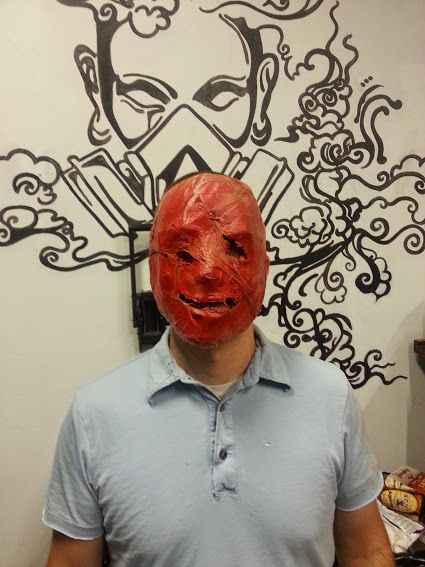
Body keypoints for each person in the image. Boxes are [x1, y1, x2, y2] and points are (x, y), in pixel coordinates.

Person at [43, 173, 394, 567]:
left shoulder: (330, 395)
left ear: (264, 268)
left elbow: (365, 549)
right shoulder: (94, 414)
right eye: (183, 252)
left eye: (235, 248)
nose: (209, 271)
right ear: (153, 267)